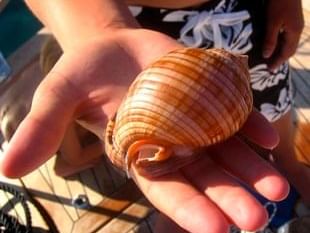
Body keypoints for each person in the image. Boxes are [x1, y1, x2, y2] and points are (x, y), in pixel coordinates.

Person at [0, 0, 305, 232]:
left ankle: (288, 162)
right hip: (146, 24)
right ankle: (170, 214)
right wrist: (100, 28)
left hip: (253, 17)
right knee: (175, 180)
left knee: (274, 107)